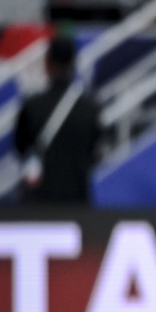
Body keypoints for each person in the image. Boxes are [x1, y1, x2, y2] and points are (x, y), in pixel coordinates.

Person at [14, 36, 101, 204]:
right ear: (74, 64)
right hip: (77, 203)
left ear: (47, 64)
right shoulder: (90, 110)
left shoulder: (32, 107)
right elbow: (94, 153)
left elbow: (21, 149)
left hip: (39, 203)